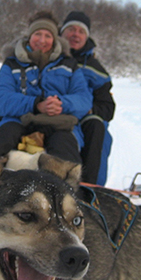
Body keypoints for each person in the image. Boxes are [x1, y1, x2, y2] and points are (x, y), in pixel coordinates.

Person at [0, 11, 92, 163]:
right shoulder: (12, 63)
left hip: (59, 123)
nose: (42, 40)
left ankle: (69, 185)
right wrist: (36, 104)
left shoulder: (69, 64)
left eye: (48, 36)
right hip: (19, 120)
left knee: (65, 153)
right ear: (29, 37)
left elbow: (84, 98)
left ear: (54, 40)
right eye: (37, 34)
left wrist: (61, 104)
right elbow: (1, 98)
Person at [60, 11, 115, 186]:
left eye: (81, 31)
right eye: (71, 29)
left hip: (83, 118)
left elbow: (107, 107)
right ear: (62, 32)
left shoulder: (96, 70)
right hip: (52, 110)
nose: (75, 34)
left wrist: (89, 109)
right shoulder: (51, 56)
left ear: (87, 37)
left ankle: (92, 187)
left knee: (98, 128)